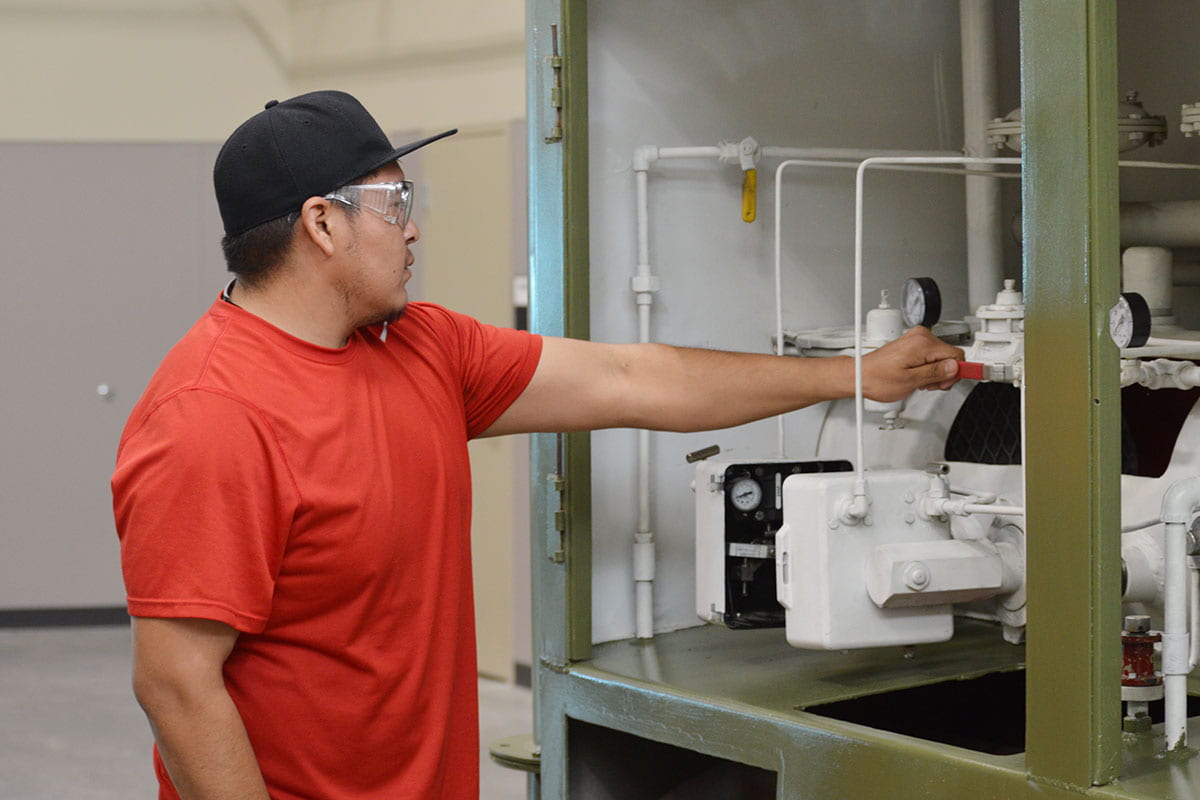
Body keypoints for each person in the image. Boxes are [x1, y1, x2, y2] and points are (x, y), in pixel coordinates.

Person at [111, 90, 963, 800]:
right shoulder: (211, 414)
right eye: (395, 204)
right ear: (322, 225)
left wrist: (855, 375)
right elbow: (178, 685)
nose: (412, 230)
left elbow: (636, 378)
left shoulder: (422, 347)